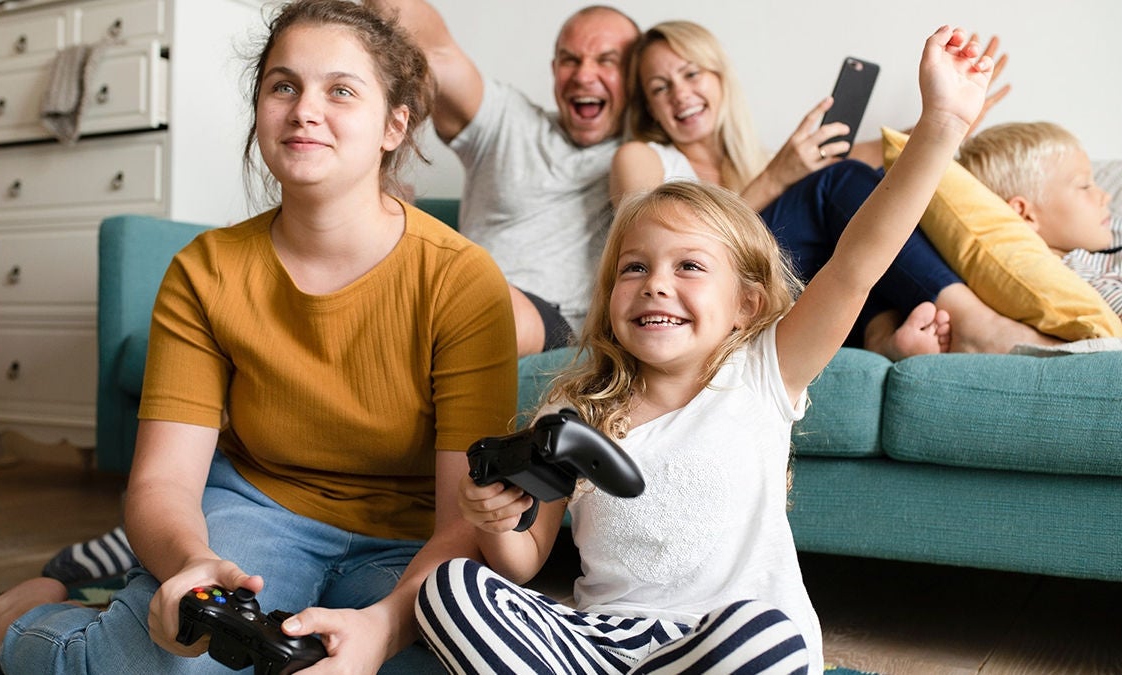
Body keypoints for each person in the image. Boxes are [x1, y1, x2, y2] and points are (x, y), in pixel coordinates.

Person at [0, 2, 517, 673]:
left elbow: (463, 521)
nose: (304, 111)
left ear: (394, 125)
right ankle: (9, 620)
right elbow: (162, 483)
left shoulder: (463, 280)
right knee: (156, 664)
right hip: (258, 513)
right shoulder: (204, 271)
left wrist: (383, 628)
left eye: (341, 91)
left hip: (413, 544)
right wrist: (192, 563)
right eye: (283, 86)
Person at [414, 25, 996, 675]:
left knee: (769, 634)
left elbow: (858, 262)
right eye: (634, 268)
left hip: (723, 640)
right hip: (604, 642)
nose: (655, 283)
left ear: (746, 302)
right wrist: (493, 517)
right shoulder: (572, 414)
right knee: (450, 588)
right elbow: (525, 561)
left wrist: (942, 123)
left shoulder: (764, 373)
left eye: (688, 266)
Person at [609, 20, 1060, 360]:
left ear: (719, 79)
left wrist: (946, 120)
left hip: (782, 294)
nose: (680, 94)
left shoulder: (757, 158)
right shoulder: (640, 155)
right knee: (835, 183)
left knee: (858, 198)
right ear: (649, 107)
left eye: (691, 75)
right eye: (660, 88)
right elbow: (658, 236)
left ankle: (882, 337)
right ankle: (976, 325)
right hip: (706, 299)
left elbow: (881, 154)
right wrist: (776, 177)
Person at [366, 0, 641, 356]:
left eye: (607, 61)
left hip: (550, 322)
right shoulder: (508, 120)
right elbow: (431, 47)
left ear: (636, 76)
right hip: (456, 291)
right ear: (554, 69)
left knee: (477, 300)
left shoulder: (646, 158)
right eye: (570, 60)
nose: (584, 75)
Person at [957, 121, 1119, 314]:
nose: (1106, 196)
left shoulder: (1103, 229)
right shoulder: (1070, 278)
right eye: (1084, 186)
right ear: (1025, 215)